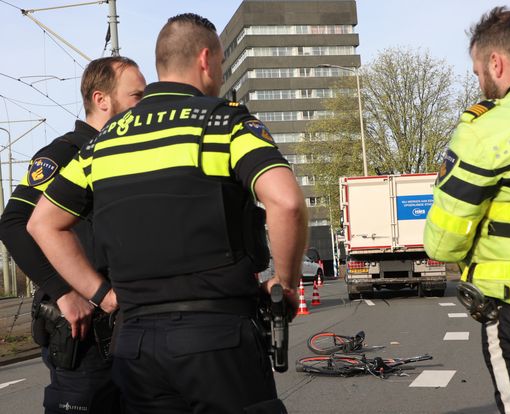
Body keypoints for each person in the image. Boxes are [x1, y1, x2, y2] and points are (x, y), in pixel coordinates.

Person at [28, 13, 308, 414]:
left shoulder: (104, 143)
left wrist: (102, 295)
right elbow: (286, 201)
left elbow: (42, 223)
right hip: (218, 339)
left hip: (135, 346)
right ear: (206, 60)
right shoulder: (223, 122)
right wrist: (286, 284)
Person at [424, 6, 510, 414]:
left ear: (496, 62)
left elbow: (442, 242)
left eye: (478, 71)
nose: (480, 81)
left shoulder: (487, 132)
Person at [0, 56, 146, 413]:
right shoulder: (64, 154)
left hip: (128, 326)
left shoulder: (127, 154)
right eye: (136, 97)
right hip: (86, 335)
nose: (143, 107)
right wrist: (64, 292)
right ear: (101, 99)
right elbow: (13, 223)